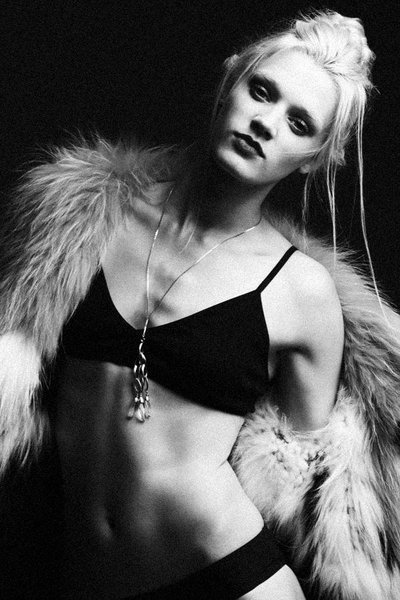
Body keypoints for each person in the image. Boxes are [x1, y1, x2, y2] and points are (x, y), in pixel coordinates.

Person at [0, 8, 400, 600]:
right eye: (261, 91)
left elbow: (304, 480)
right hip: (79, 576)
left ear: (317, 157)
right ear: (228, 81)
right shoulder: (86, 220)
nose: (266, 123)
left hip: (225, 579)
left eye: (298, 123)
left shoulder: (301, 291)